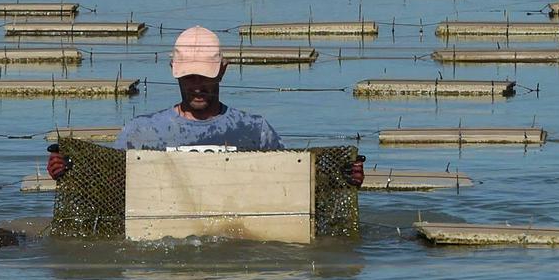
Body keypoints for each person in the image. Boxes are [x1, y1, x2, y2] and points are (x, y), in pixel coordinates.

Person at [47, 26, 363, 183]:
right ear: (175, 73)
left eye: (206, 77)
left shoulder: (254, 132)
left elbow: (290, 181)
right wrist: (69, 172)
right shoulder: (142, 132)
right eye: (189, 78)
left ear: (222, 71)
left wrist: (342, 177)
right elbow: (110, 185)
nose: (198, 86)